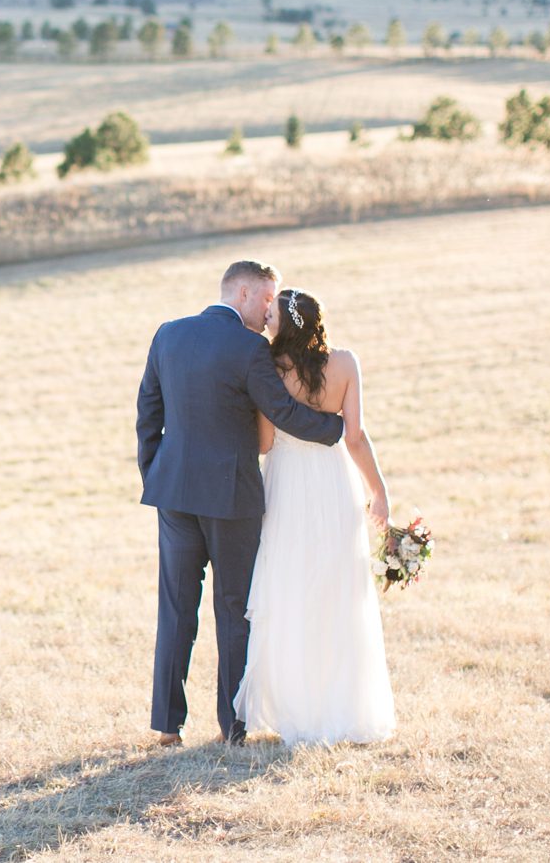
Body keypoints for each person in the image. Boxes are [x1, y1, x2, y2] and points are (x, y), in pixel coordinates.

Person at [137, 259, 346, 747]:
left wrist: (156, 473)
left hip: (174, 493)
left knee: (176, 608)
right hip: (231, 498)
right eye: (268, 299)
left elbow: (148, 411)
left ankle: (168, 725)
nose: (270, 310)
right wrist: (336, 428)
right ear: (246, 294)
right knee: (235, 609)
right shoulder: (249, 347)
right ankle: (232, 726)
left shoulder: (168, 334)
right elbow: (284, 413)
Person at [233, 285, 395, 744]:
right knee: (338, 588)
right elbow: (356, 437)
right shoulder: (345, 364)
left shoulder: (270, 369)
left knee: (290, 588)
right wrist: (379, 491)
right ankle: (342, 705)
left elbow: (264, 444)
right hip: (333, 482)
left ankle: (297, 707)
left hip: (286, 484)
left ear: (283, 327)